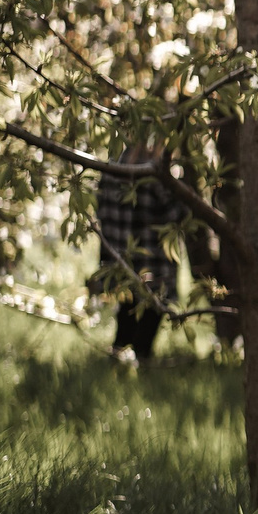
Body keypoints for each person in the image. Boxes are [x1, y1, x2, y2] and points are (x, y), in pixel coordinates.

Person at [93, 146, 187, 365]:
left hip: (120, 260)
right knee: (150, 314)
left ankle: (121, 359)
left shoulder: (111, 166)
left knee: (126, 311)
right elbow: (178, 214)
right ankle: (138, 362)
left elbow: (100, 209)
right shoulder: (158, 172)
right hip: (153, 263)